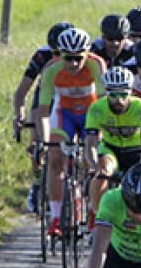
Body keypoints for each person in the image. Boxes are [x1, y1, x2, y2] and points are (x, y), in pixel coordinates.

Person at [36, 27, 106, 237]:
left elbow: (104, 104)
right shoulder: (51, 69)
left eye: (78, 58)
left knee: (94, 161)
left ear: (87, 54)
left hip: (90, 114)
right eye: (68, 58)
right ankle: (56, 217)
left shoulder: (96, 64)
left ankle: (94, 211)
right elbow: (43, 111)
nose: (74, 64)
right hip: (64, 114)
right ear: (60, 54)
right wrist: (44, 141)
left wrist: (101, 135)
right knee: (55, 159)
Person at [14, 22, 72, 211]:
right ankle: (37, 182)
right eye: (54, 53)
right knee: (37, 143)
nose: (57, 58)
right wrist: (19, 115)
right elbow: (22, 91)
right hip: (47, 96)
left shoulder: (79, 57)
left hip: (69, 97)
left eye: (61, 54)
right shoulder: (42, 56)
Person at [85, 67, 141, 227]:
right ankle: (97, 216)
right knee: (102, 172)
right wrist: (93, 166)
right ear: (106, 92)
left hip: (136, 151)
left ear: (131, 92)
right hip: (111, 150)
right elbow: (91, 143)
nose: (119, 100)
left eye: (123, 94)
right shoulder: (97, 108)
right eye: (113, 95)